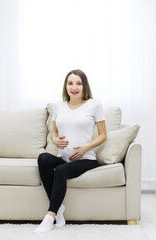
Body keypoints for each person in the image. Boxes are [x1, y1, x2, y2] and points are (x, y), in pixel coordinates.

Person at [33, 69, 107, 233]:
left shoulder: (95, 105)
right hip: (64, 158)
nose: (74, 87)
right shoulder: (58, 106)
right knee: (43, 158)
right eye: (70, 83)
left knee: (60, 171)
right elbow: (53, 132)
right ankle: (59, 209)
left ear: (84, 86)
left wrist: (85, 148)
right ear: (65, 86)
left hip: (86, 159)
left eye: (79, 83)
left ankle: (50, 215)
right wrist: (54, 140)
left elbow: (103, 135)